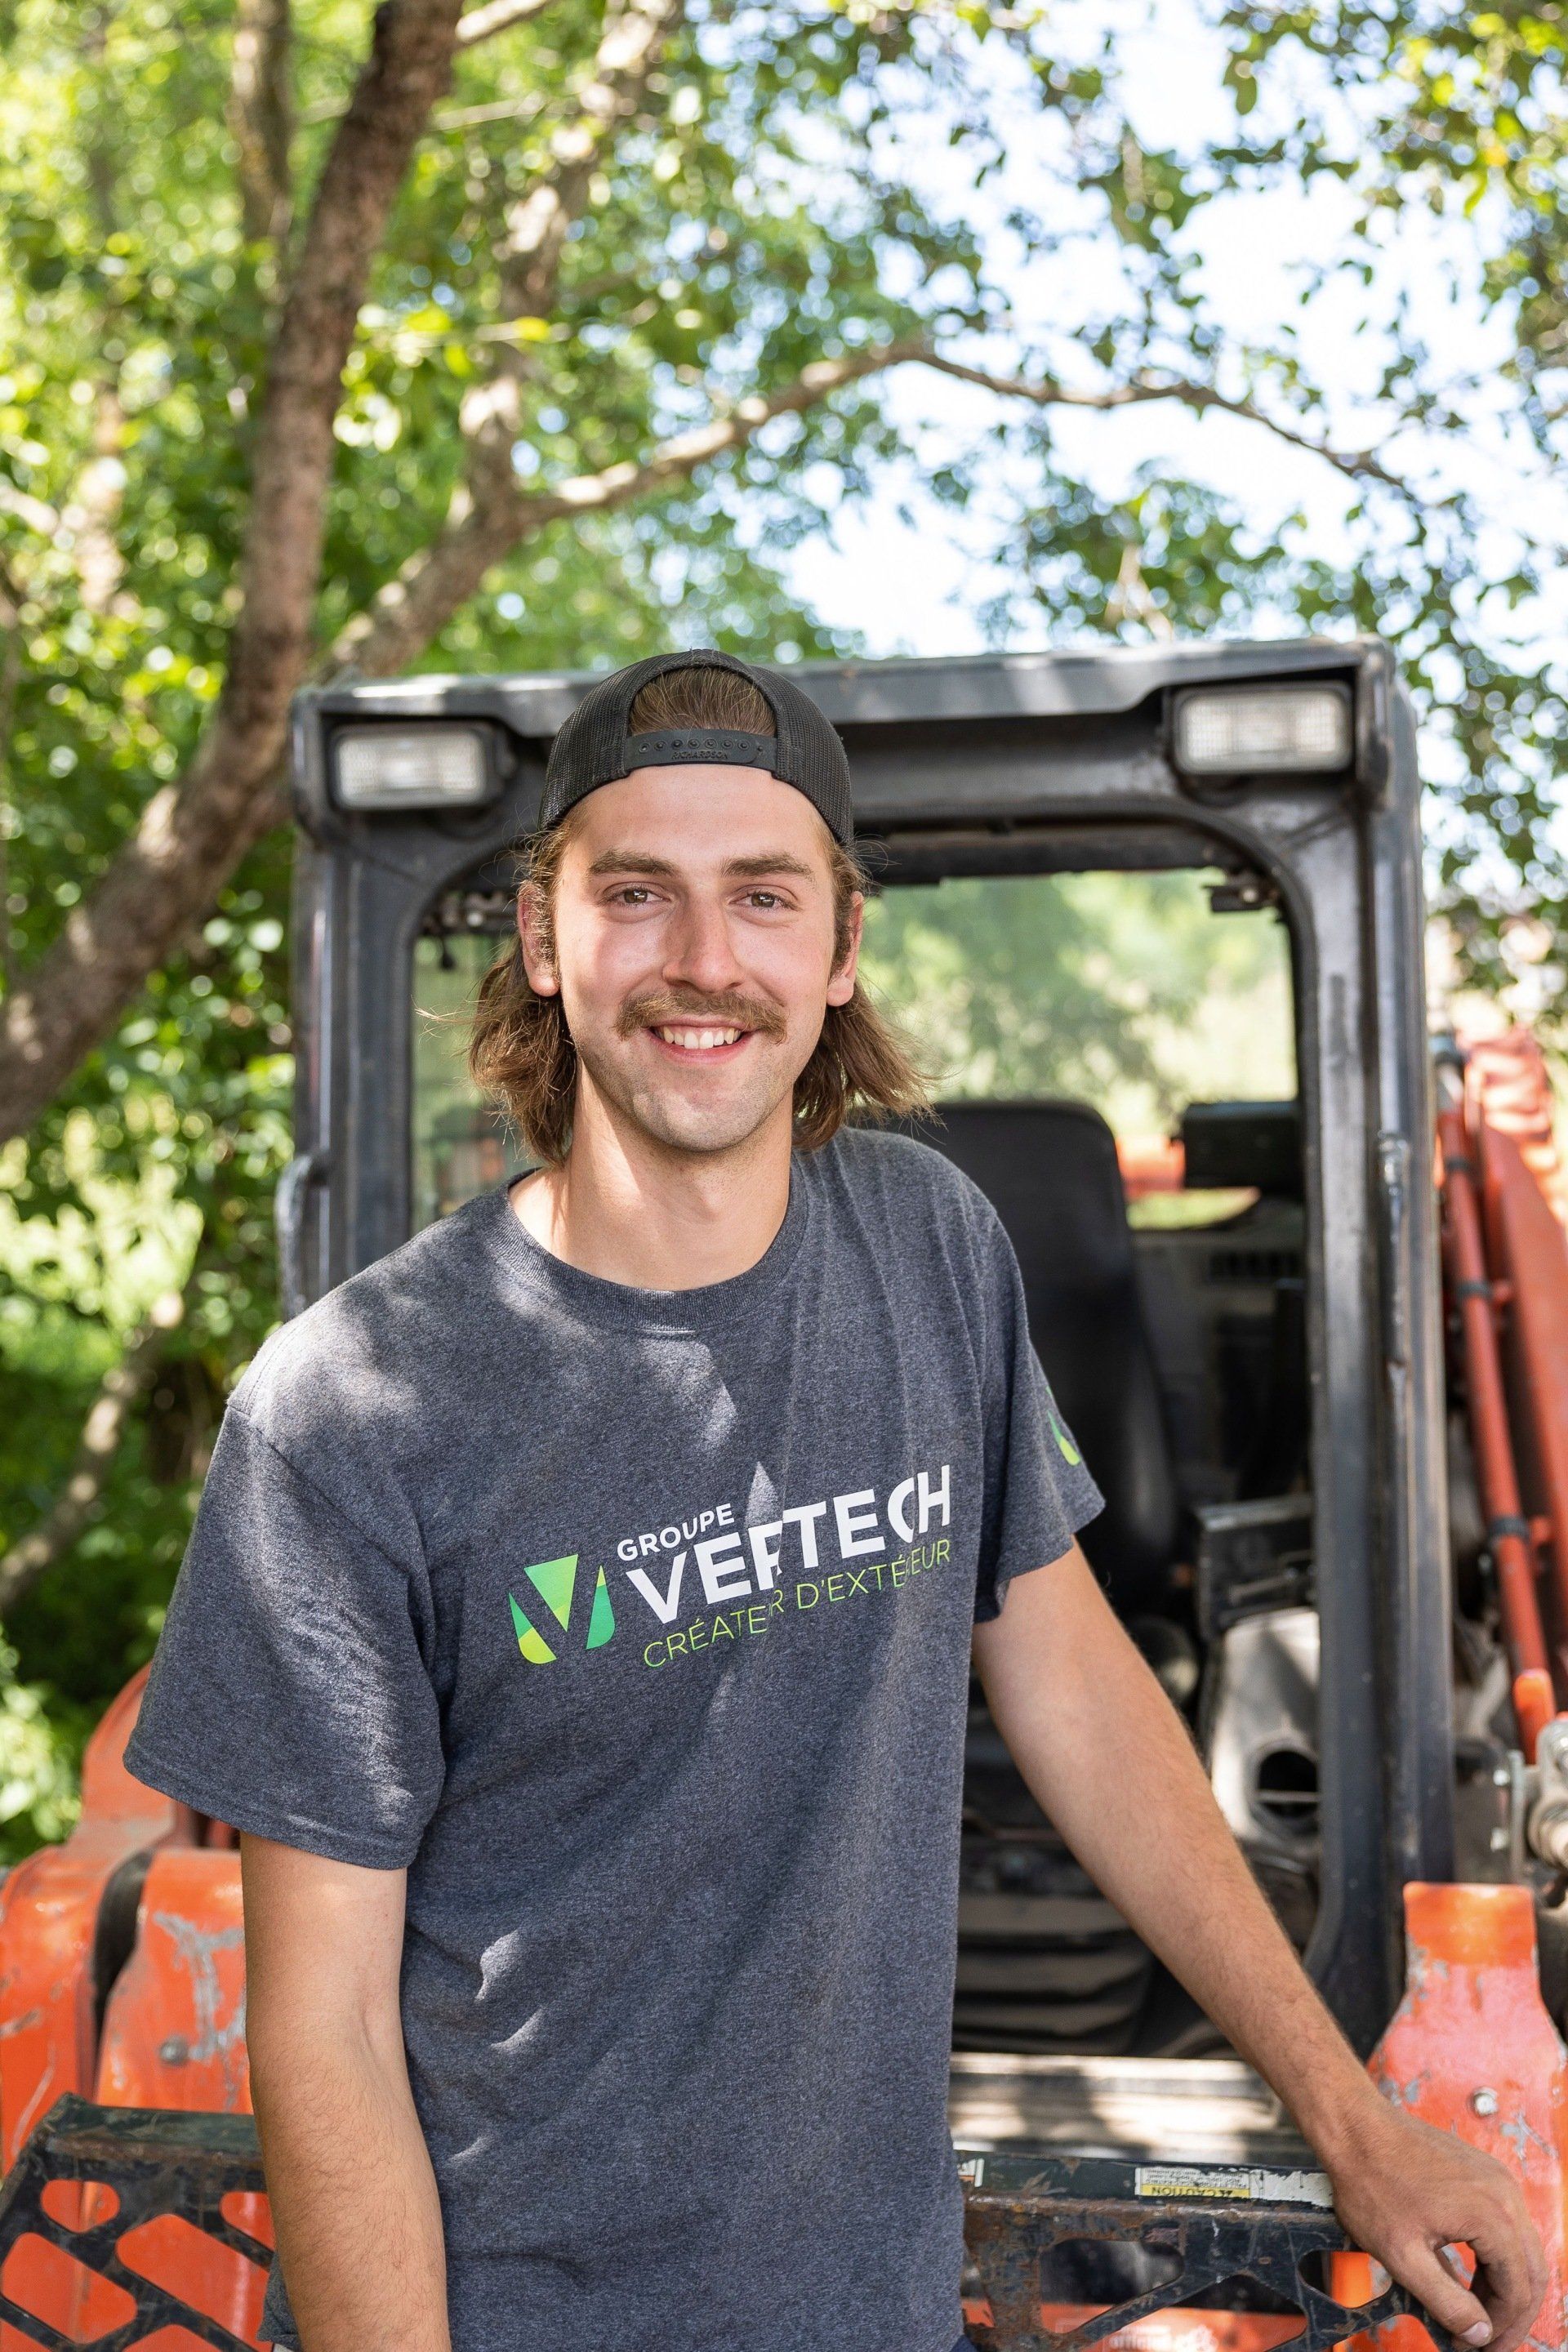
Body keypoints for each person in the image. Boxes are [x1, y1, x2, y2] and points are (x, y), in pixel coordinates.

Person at [126, 648, 1546, 2352]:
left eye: (764, 897)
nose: (703, 962)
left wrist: (1353, 2119)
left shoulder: (927, 1244)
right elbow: (325, 2032)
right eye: (636, 894)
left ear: (842, 944)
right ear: (539, 931)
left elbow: (1075, 1682)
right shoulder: (352, 1410)